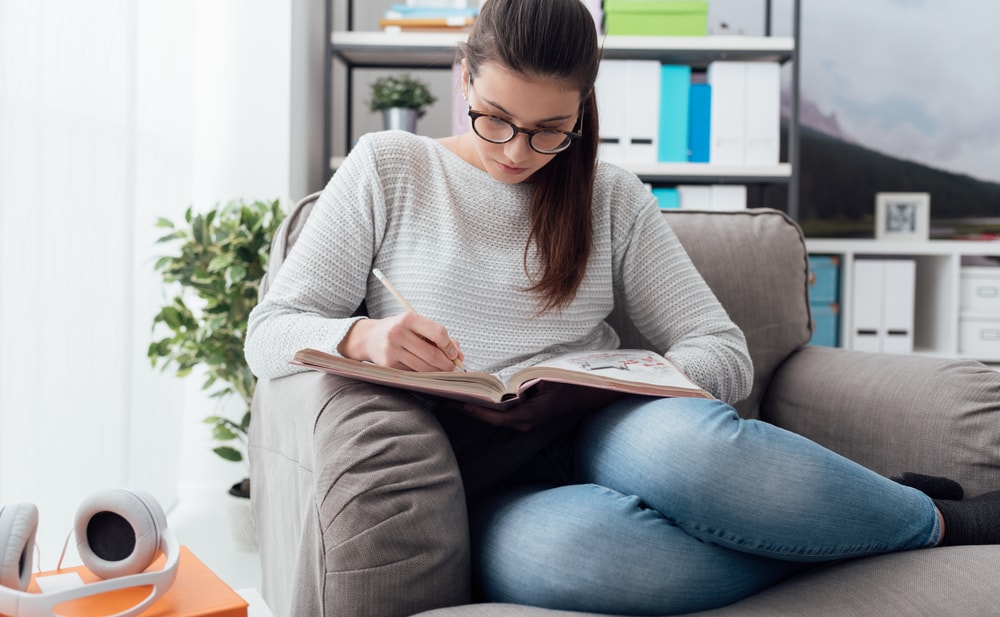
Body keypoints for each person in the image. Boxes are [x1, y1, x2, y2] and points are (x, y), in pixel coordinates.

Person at [245, 0, 1000, 614]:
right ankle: (876, 516)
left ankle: (940, 520)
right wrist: (366, 338)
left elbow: (723, 350)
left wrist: (617, 378)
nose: (515, 151)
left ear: (582, 112)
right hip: (488, 482)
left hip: (607, 424)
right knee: (590, 558)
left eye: (549, 131)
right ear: (462, 76)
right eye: (496, 118)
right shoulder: (388, 168)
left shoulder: (611, 195)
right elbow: (270, 334)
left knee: (698, 452)